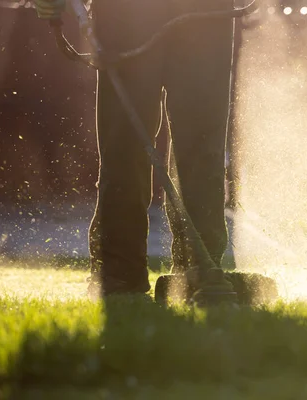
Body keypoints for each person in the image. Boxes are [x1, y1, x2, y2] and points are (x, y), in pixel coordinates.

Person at [34, 0, 236, 300]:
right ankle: (119, 273)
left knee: (203, 142)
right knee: (123, 144)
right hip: (126, 11)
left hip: (206, 12)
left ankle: (201, 267)